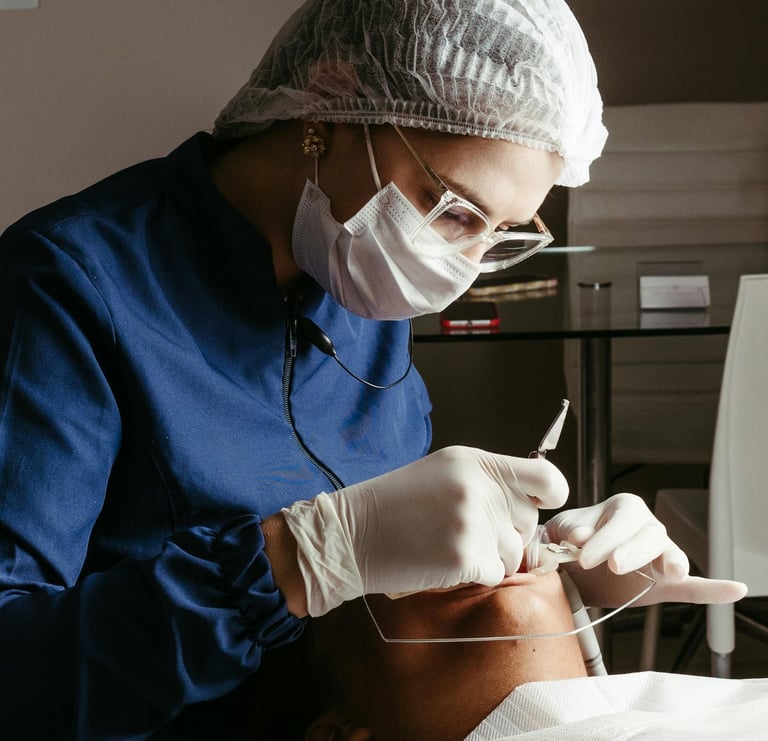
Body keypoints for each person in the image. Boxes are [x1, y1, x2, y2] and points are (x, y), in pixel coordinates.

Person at [0, 0, 745, 738]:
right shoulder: (69, 286)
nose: (459, 265)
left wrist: (549, 563)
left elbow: (381, 573)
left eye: (502, 235)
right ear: (330, 97)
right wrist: (293, 561)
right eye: (452, 209)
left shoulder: (360, 276)